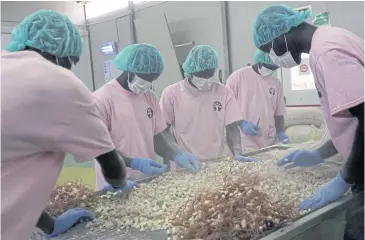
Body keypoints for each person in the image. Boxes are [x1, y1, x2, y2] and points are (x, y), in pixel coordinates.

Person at [1, 10, 138, 240]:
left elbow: (12, 182)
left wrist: (49, 224)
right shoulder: (60, 83)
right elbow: (109, 161)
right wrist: (119, 185)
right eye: (71, 63)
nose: (70, 70)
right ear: (61, 55)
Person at [253, 5, 364, 240]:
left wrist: (344, 178)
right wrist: (319, 154)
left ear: (281, 34)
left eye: (269, 48)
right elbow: (353, 121)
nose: (272, 57)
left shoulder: (327, 52)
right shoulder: (330, 39)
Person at [93, 43, 200, 191]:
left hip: (147, 181)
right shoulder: (102, 99)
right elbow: (99, 149)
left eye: (152, 80)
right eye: (145, 78)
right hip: (115, 184)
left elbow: (158, 137)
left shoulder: (149, 97)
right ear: (130, 70)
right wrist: (134, 163)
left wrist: (176, 154)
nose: (147, 84)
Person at [159, 45, 255, 162]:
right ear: (191, 70)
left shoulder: (223, 92)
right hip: (186, 164)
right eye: (201, 75)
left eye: (209, 75)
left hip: (217, 161)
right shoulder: (172, 93)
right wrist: (177, 154)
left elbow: (232, 127)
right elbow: (163, 130)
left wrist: (237, 153)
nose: (205, 79)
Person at [226, 49, 289, 151]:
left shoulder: (276, 84)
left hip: (270, 142)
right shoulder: (237, 78)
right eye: (269, 66)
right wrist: (241, 123)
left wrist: (281, 132)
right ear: (260, 60)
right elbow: (227, 110)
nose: (270, 70)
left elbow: (279, 113)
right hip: (245, 142)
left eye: (274, 67)